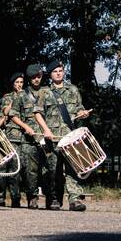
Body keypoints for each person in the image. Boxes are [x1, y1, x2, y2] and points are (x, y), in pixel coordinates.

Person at [34, 59, 92, 211]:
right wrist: (46, 130)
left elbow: (79, 108)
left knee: (73, 168)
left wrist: (82, 113)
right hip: (52, 138)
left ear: (63, 72)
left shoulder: (73, 89)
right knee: (54, 170)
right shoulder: (44, 92)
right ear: (50, 74)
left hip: (70, 137)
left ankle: (75, 199)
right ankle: (54, 199)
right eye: (55, 71)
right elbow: (38, 113)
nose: (58, 73)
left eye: (60, 70)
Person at [9, 64, 48, 209]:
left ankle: (52, 198)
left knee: (47, 169)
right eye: (33, 77)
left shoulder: (48, 92)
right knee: (30, 170)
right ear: (29, 79)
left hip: (47, 136)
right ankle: (32, 197)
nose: (36, 79)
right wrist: (26, 127)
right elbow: (13, 115)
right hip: (29, 139)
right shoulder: (22, 95)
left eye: (39, 76)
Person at [0, 73, 24, 207]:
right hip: (7, 136)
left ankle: (15, 197)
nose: (19, 84)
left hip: (21, 137)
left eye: (21, 82)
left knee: (16, 169)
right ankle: (0, 197)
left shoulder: (28, 97)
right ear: (13, 84)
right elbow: (6, 111)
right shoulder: (7, 97)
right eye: (17, 82)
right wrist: (15, 100)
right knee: (2, 168)